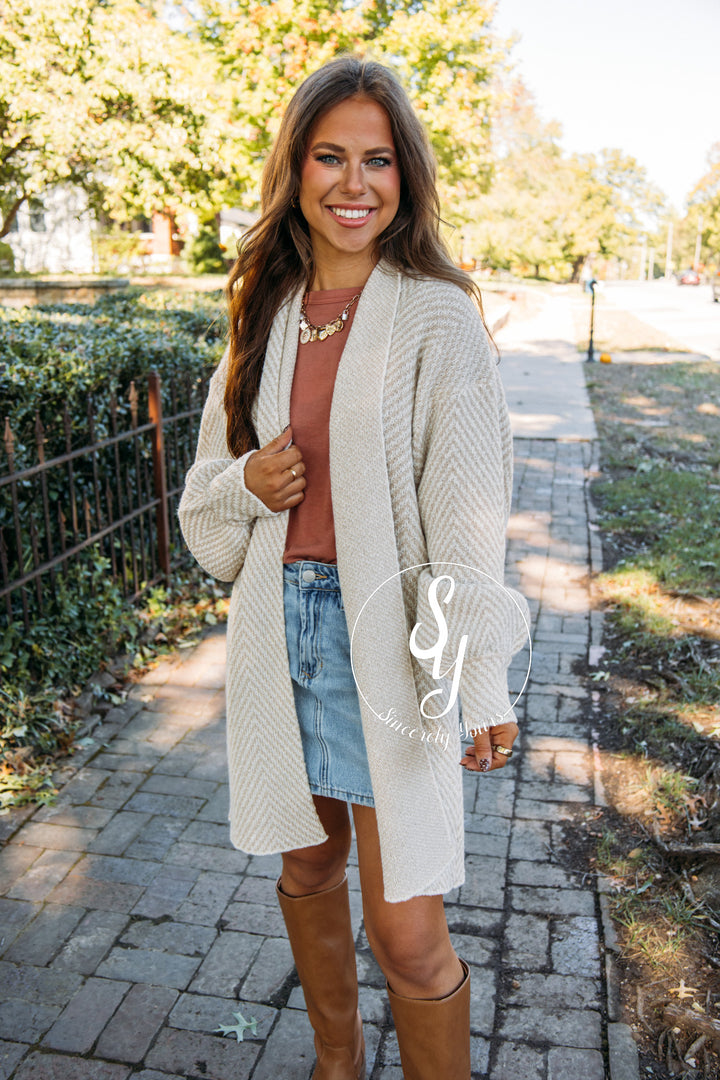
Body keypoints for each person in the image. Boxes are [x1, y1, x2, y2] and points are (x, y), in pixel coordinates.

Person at [179, 55, 529, 1080]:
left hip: (385, 637)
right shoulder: (264, 309)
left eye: (378, 159)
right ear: (296, 169)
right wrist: (251, 479)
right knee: (305, 859)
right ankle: (338, 1061)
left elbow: (467, 517)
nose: (354, 182)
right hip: (272, 632)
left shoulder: (436, 316)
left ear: (406, 177)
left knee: (407, 931)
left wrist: (479, 675)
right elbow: (208, 505)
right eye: (330, 156)